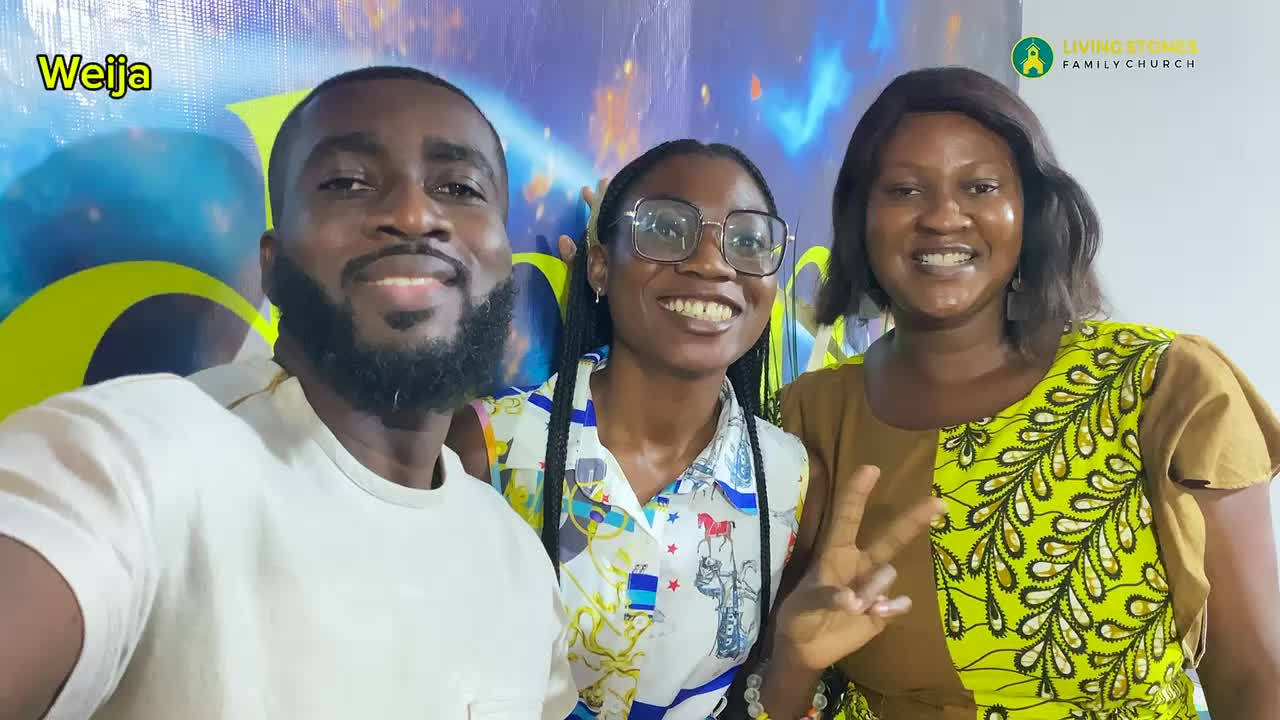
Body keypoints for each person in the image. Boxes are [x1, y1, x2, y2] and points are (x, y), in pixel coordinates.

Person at [0, 66, 577, 720]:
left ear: (504, 263)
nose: (415, 215)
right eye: (348, 183)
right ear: (272, 265)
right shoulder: (143, 460)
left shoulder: (519, 562)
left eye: (460, 188)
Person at [778, 66, 1280, 719]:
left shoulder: (1162, 385)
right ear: (861, 217)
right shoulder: (810, 414)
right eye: (904, 190)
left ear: (1031, 211)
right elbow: (787, 678)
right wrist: (792, 660)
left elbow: (1253, 674)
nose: (943, 217)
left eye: (980, 187)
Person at [448, 140, 946, 719]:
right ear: (601, 265)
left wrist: (794, 660)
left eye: (748, 241)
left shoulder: (791, 484)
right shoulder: (488, 451)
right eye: (665, 229)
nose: (713, 263)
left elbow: (757, 706)